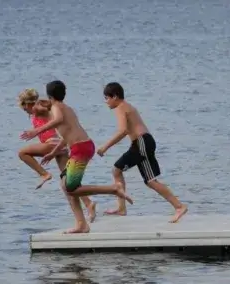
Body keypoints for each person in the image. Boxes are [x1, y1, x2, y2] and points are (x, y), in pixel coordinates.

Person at [21, 80, 133, 234]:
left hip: (80, 149)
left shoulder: (57, 108)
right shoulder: (67, 108)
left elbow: (58, 120)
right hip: (81, 146)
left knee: (70, 188)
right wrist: (53, 152)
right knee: (65, 185)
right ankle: (81, 224)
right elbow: (67, 135)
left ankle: (114, 189)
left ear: (50, 96)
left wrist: (36, 131)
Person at [96, 82, 188, 223]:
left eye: (107, 98)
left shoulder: (121, 107)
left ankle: (179, 207)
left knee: (118, 170)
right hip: (143, 142)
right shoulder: (126, 106)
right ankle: (178, 207)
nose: (105, 101)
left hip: (141, 143)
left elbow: (123, 131)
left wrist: (105, 147)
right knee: (148, 180)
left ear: (115, 97)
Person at [16, 88, 98, 222]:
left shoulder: (39, 107)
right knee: (68, 182)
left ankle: (44, 174)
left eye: (25, 108)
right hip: (60, 146)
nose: (26, 111)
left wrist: (37, 128)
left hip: (52, 143)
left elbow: (53, 111)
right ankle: (89, 204)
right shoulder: (37, 109)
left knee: (22, 153)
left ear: (28, 103)